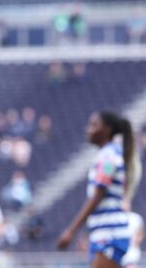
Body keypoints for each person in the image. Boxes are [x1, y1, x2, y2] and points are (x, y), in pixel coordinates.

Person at [57, 111, 138, 267]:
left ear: (107, 129)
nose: (88, 129)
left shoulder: (108, 158)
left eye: (94, 125)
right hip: (105, 233)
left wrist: (71, 231)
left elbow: (97, 196)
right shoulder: (108, 154)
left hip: (110, 234)